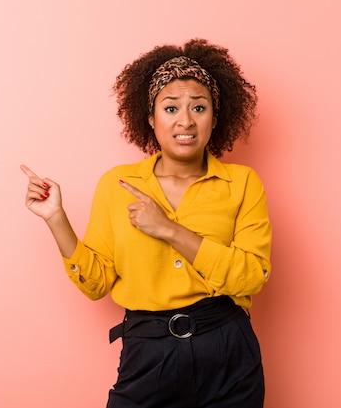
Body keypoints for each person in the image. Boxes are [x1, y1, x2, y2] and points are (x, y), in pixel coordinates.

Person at [20, 38, 271, 408]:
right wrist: (56, 218)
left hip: (227, 349)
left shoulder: (243, 183)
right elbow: (97, 284)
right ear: (150, 118)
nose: (185, 121)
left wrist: (168, 228)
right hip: (148, 351)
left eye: (198, 108)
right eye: (171, 108)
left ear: (215, 118)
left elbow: (252, 276)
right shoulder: (117, 185)